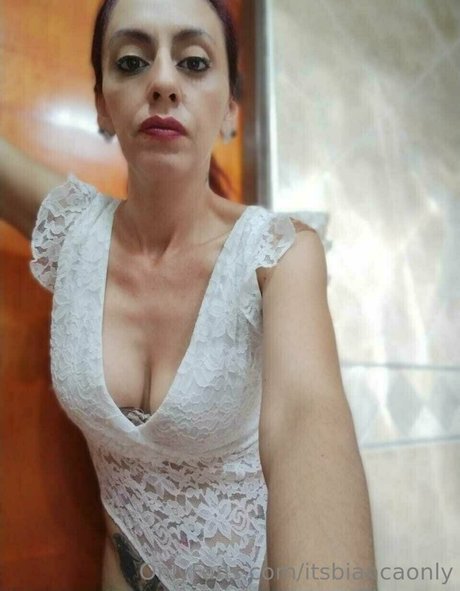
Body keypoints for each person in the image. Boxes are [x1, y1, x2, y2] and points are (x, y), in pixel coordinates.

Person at [0, 0, 378, 590]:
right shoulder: (74, 231)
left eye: (194, 62)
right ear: (101, 103)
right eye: (131, 61)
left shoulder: (278, 258)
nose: (162, 82)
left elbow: (305, 420)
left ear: (230, 109)